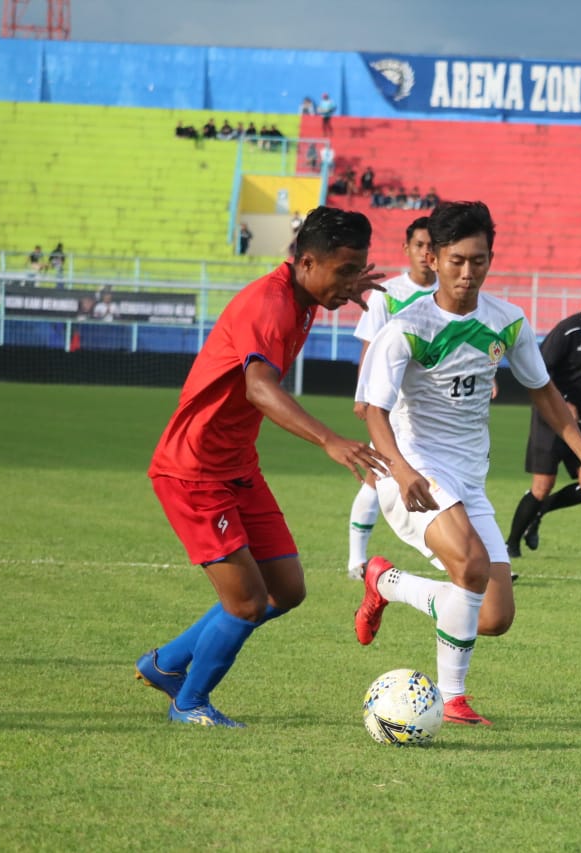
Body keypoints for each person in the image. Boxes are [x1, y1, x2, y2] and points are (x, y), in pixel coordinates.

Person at [353, 201, 581, 726]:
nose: (467, 272)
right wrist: (401, 471)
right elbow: (370, 410)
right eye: (457, 260)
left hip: (468, 479)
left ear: (490, 258)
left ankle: (384, 582)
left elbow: (545, 395)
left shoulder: (507, 321)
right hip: (414, 472)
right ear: (435, 258)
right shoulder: (408, 327)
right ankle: (452, 698)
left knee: (494, 617)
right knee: (471, 569)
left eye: (478, 260)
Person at [136, 206, 388, 728]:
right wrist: (329, 440)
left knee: (287, 590)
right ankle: (189, 703)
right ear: (306, 262)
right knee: (248, 602)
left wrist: (346, 281)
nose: (349, 284)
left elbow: (327, 284)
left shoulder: (304, 293)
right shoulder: (270, 306)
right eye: (343, 271)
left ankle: (165, 665)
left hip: (236, 466)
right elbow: (258, 387)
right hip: (194, 470)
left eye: (356, 269)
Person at [505, 271, 581, 560]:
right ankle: (511, 544)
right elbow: (539, 372)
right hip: (551, 420)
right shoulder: (568, 331)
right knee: (542, 485)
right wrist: (562, 402)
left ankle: (540, 512)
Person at [346, 217, 437, 580]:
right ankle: (356, 560)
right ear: (407, 249)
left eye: (433, 246)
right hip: (393, 403)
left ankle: (462, 557)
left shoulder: (446, 295)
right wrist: (363, 396)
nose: (426, 252)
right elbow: (371, 345)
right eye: (419, 245)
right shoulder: (387, 294)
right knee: (376, 474)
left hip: (434, 405)